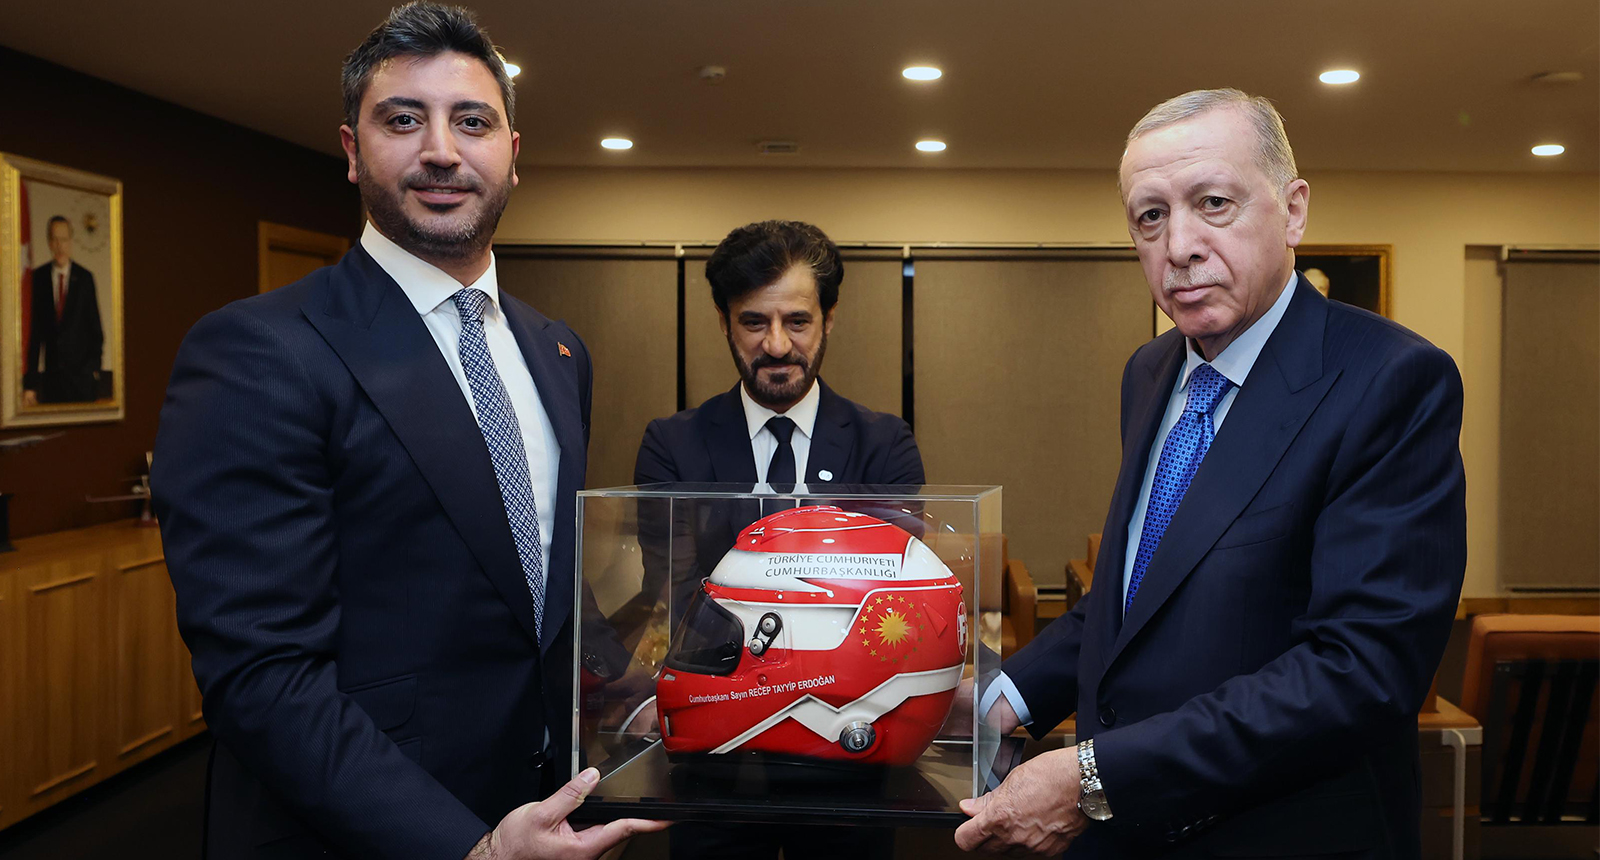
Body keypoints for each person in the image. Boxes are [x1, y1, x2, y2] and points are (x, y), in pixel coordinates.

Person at [151, 4, 662, 858]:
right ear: (352, 151)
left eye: (472, 122)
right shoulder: (257, 350)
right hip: (368, 833)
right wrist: (472, 849)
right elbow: (262, 676)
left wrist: (629, 693)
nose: (441, 150)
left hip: (543, 811)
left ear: (512, 153)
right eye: (402, 120)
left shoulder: (558, 350)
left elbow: (539, 577)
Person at [955, 89, 1466, 859]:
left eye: (1213, 203)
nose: (1179, 246)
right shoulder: (1149, 372)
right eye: (1150, 217)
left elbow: (1361, 671)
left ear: (1293, 211)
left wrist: (1096, 777)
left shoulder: (1392, 380)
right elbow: (1134, 601)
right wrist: (994, 700)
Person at [633, 220, 924, 860]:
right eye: (752, 322)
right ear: (723, 321)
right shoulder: (673, 446)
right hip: (715, 757)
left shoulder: (885, 446)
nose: (776, 345)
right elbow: (678, 597)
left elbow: (888, 607)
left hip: (849, 753)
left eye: (797, 321)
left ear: (829, 319)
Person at [23, 215, 103, 404]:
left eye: (64, 239)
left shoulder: (85, 279)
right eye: (55, 239)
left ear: (71, 241)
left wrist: (94, 371)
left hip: (82, 382)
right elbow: (34, 336)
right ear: (49, 242)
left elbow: (96, 331)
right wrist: (30, 385)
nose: (60, 246)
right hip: (52, 382)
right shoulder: (39, 278)